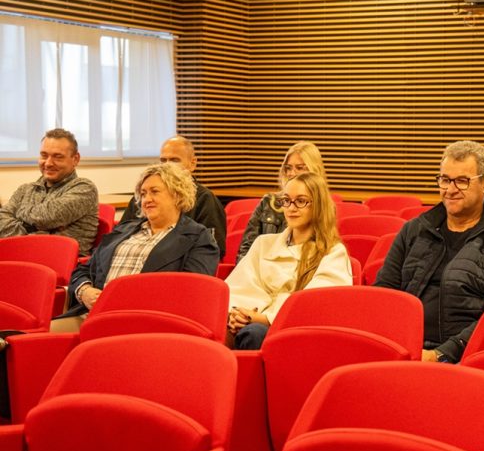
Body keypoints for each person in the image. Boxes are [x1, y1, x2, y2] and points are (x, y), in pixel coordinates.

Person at [375, 140, 484, 363]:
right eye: (445, 180)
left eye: (462, 181)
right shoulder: (414, 230)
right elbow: (384, 294)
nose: (450, 190)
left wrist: (440, 355)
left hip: (467, 357)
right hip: (405, 348)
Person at [59, 163, 219, 330]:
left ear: (177, 195)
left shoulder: (198, 238)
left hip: (146, 324)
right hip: (92, 315)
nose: (147, 200)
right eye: (143, 194)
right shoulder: (122, 231)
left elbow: (191, 292)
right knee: (41, 338)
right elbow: (83, 269)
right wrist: (85, 291)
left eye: (154, 192)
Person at [227, 171, 352, 350]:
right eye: (286, 200)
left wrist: (263, 319)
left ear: (318, 206)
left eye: (301, 201)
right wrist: (237, 314)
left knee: (254, 333)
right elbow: (241, 287)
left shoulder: (332, 252)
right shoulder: (263, 243)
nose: (291, 208)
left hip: (296, 334)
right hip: (251, 321)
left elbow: (314, 306)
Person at [119, 136, 226, 258]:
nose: (167, 166)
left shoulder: (205, 198)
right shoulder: (143, 196)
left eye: (174, 161)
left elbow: (213, 249)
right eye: (163, 161)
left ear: (192, 164)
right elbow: (121, 234)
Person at [0, 128, 98, 256]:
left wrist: (19, 212)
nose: (48, 163)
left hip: (61, 263)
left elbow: (46, 218)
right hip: (18, 256)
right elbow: (2, 221)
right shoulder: (25, 189)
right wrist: (32, 233)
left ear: (75, 159)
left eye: (58, 157)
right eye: (44, 155)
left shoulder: (84, 188)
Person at [237, 141, 327, 263]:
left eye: (299, 168)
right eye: (288, 168)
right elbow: (246, 249)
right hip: (262, 269)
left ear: (314, 170)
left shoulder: (321, 205)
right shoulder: (269, 202)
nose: (291, 173)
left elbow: (322, 248)